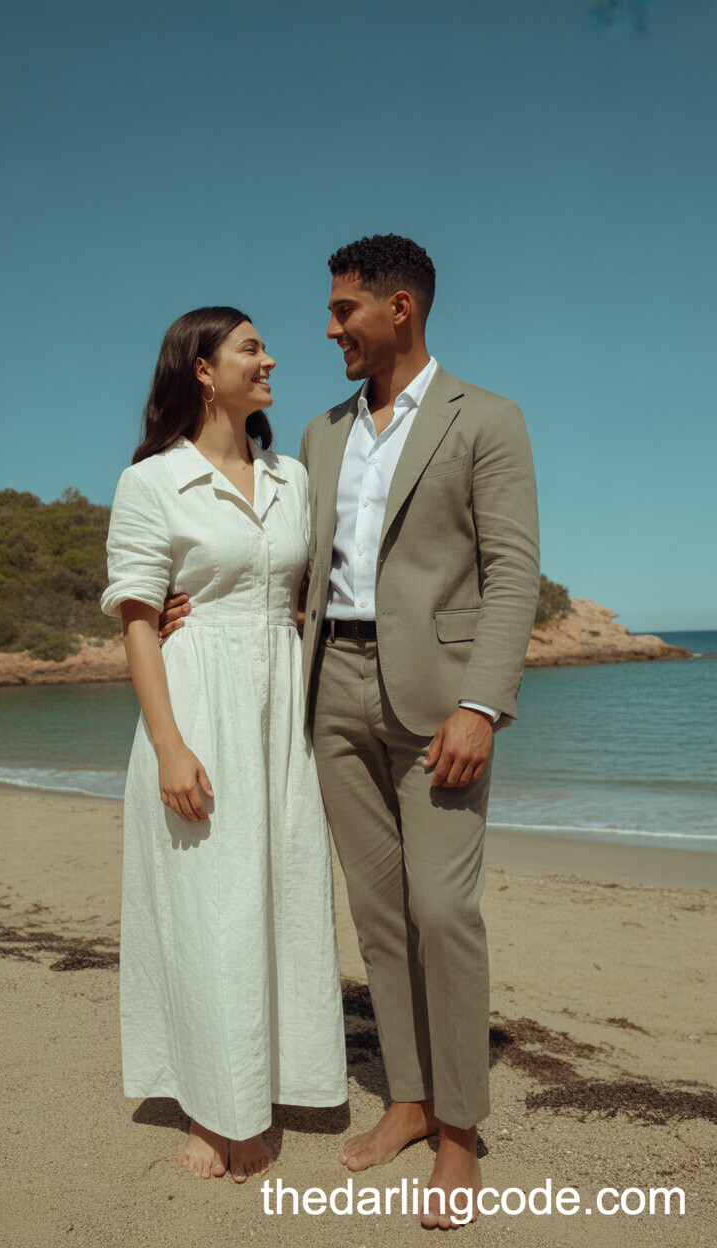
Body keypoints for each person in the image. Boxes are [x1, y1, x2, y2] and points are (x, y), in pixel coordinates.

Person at [161, 237, 539, 1228]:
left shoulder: (487, 420)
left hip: (441, 701)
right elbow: (264, 549)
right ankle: (409, 1100)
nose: (327, 329)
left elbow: (512, 576)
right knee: (376, 917)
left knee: (442, 912)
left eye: (343, 312)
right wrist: (180, 605)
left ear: (399, 309)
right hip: (329, 691)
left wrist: (481, 704)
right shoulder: (318, 438)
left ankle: (459, 1132)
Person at [101, 307, 347, 1185]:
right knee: (207, 907)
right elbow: (138, 619)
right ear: (203, 371)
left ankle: (266, 1087)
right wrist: (168, 744)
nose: (271, 356)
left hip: (283, 707)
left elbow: (307, 593)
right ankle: (215, 1110)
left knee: (277, 890)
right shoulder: (152, 483)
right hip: (197, 700)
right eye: (251, 346)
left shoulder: (290, 476)